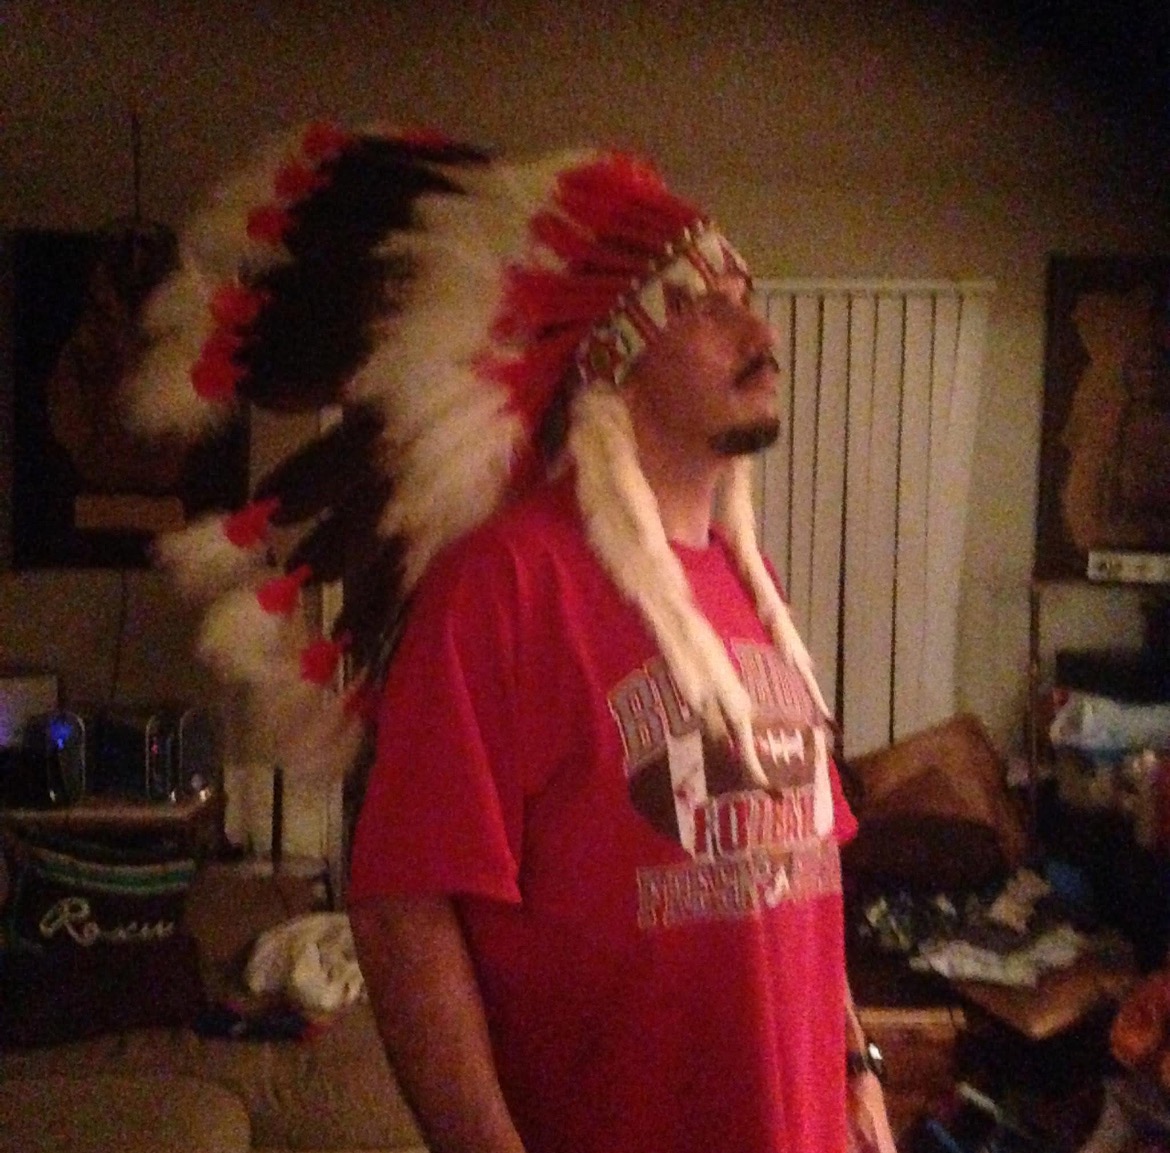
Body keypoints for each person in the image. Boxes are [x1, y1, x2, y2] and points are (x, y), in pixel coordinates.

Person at [123, 124, 895, 1153]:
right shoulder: (503, 584)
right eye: (706, 303)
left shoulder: (750, 588)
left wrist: (855, 1066)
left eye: (747, 295)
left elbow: (797, 865)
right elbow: (402, 912)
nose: (758, 328)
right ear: (613, 356)